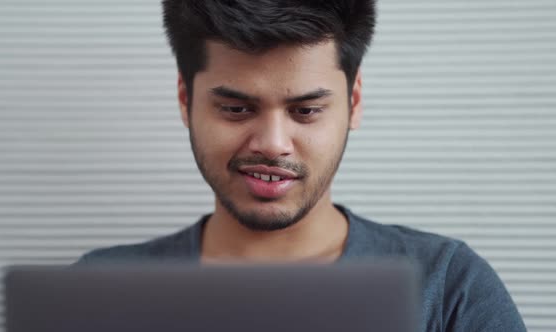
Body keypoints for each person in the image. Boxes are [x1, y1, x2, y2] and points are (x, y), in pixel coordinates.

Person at [76, 0, 527, 331]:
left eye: (305, 111)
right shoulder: (98, 293)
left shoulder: (448, 287)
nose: (273, 145)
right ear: (185, 99)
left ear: (353, 102)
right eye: (236, 109)